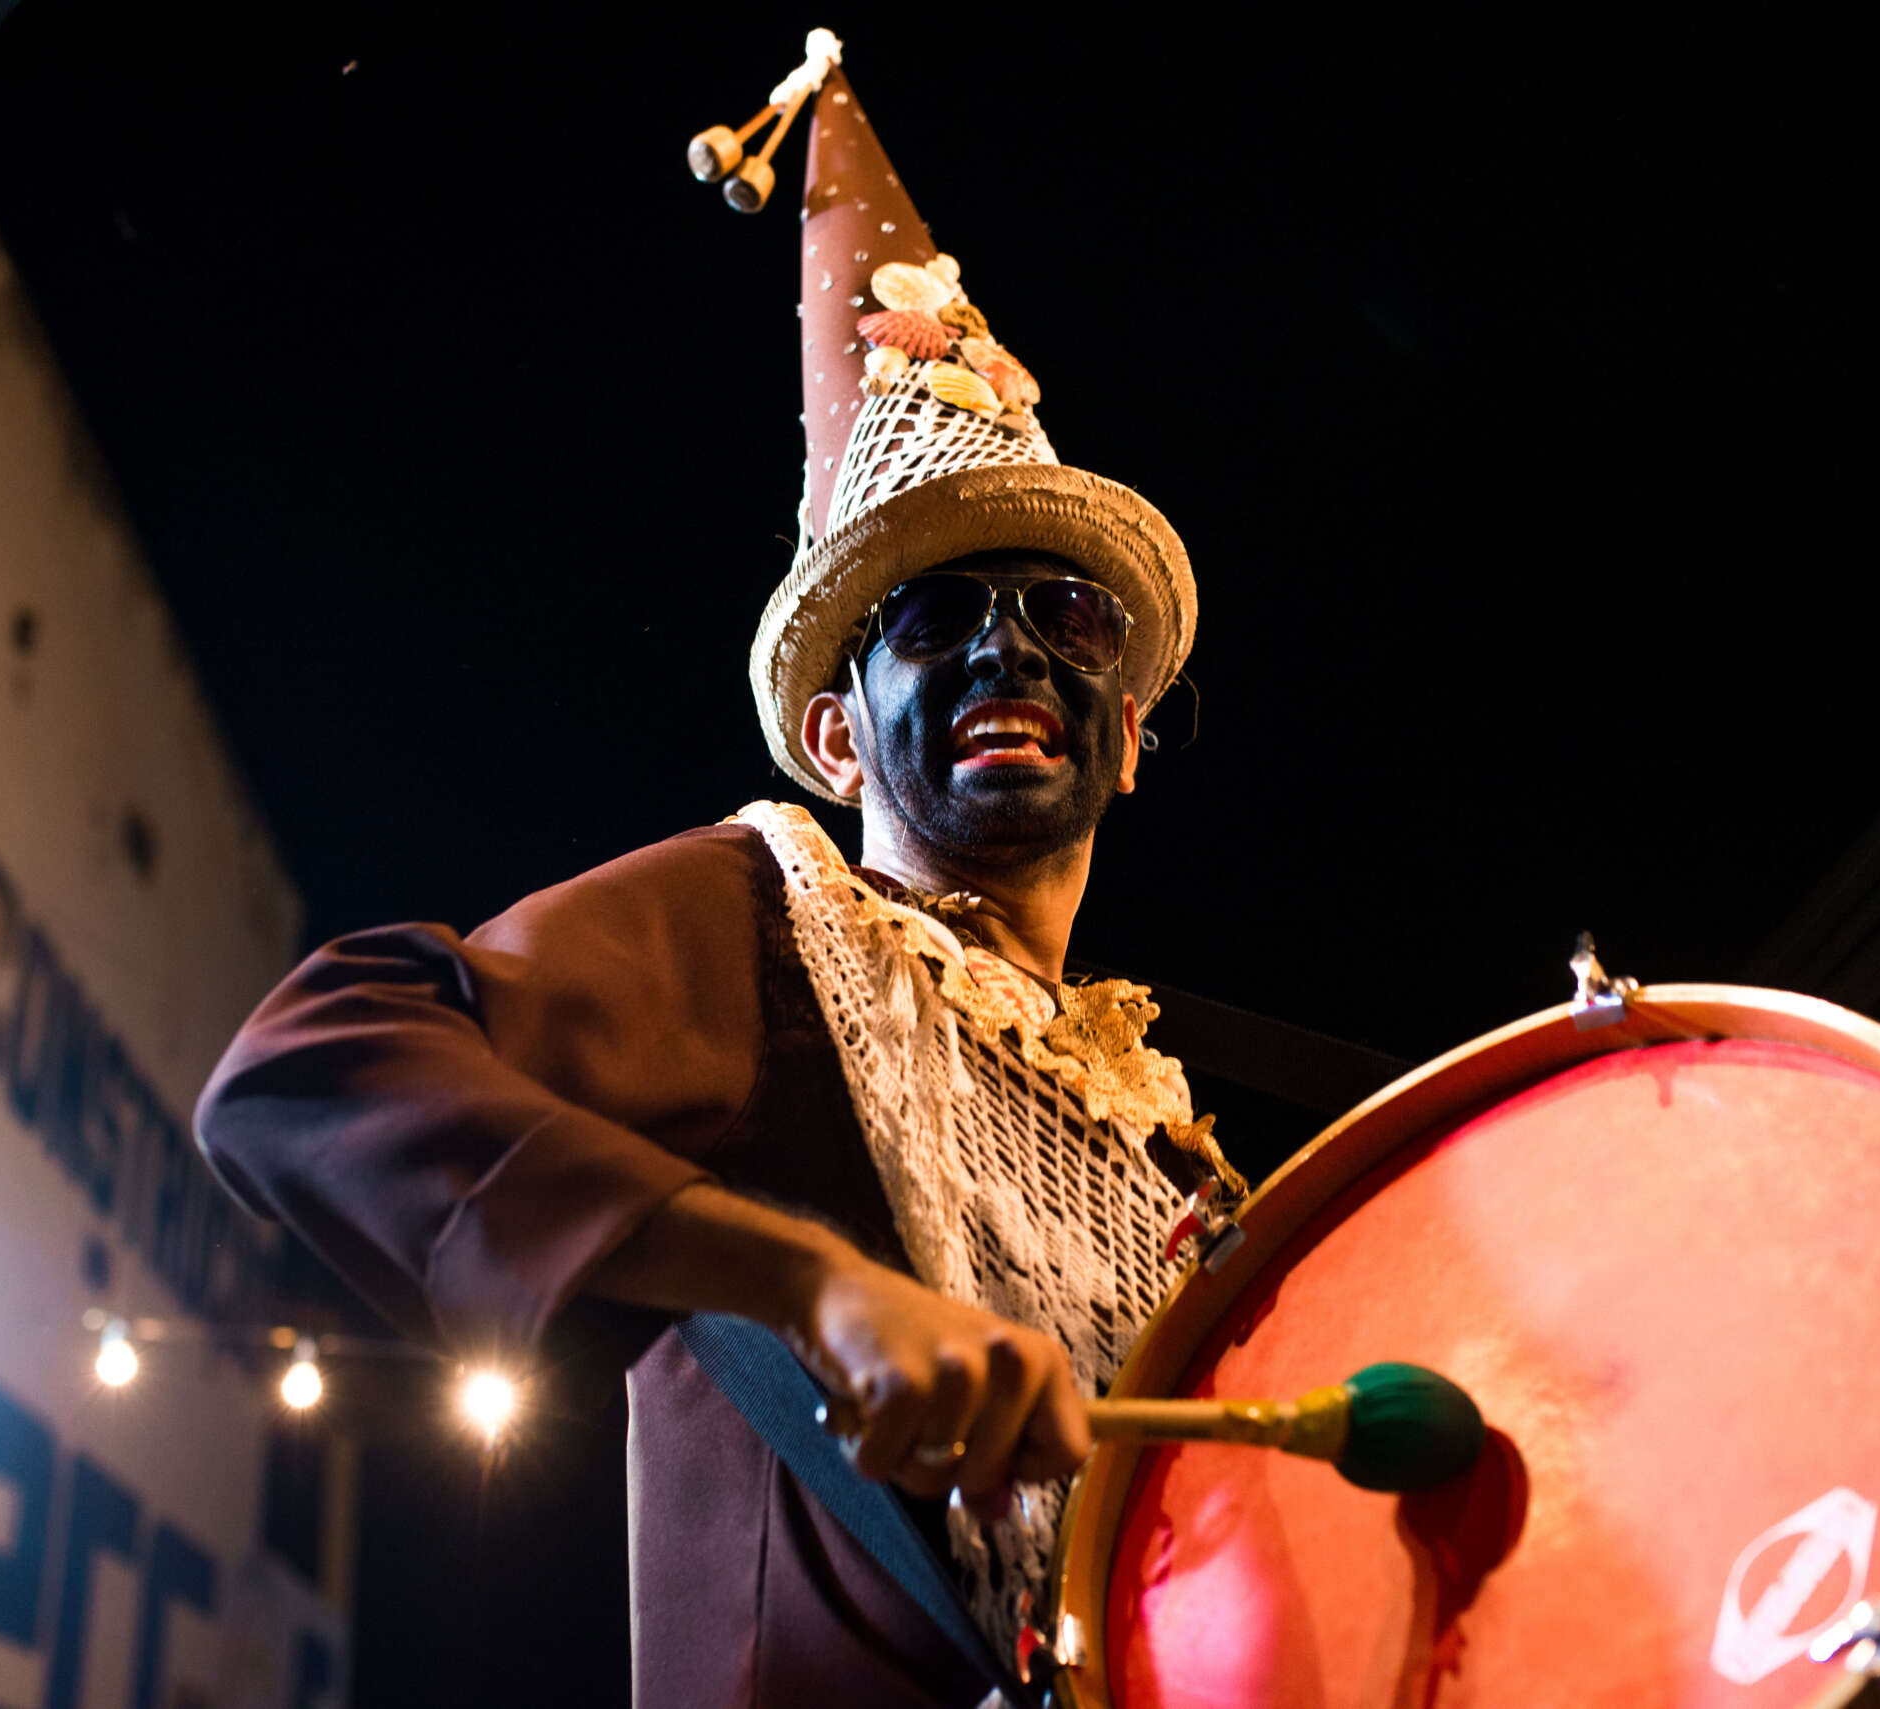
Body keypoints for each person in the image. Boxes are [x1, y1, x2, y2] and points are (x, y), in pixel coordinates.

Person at [197, 37, 1239, 1709]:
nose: (1008, 649)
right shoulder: (776, 925)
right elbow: (302, 1071)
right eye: (930, 616)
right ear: (833, 739)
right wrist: (809, 1286)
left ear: (1128, 735)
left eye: (1068, 612)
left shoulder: (1171, 1132)